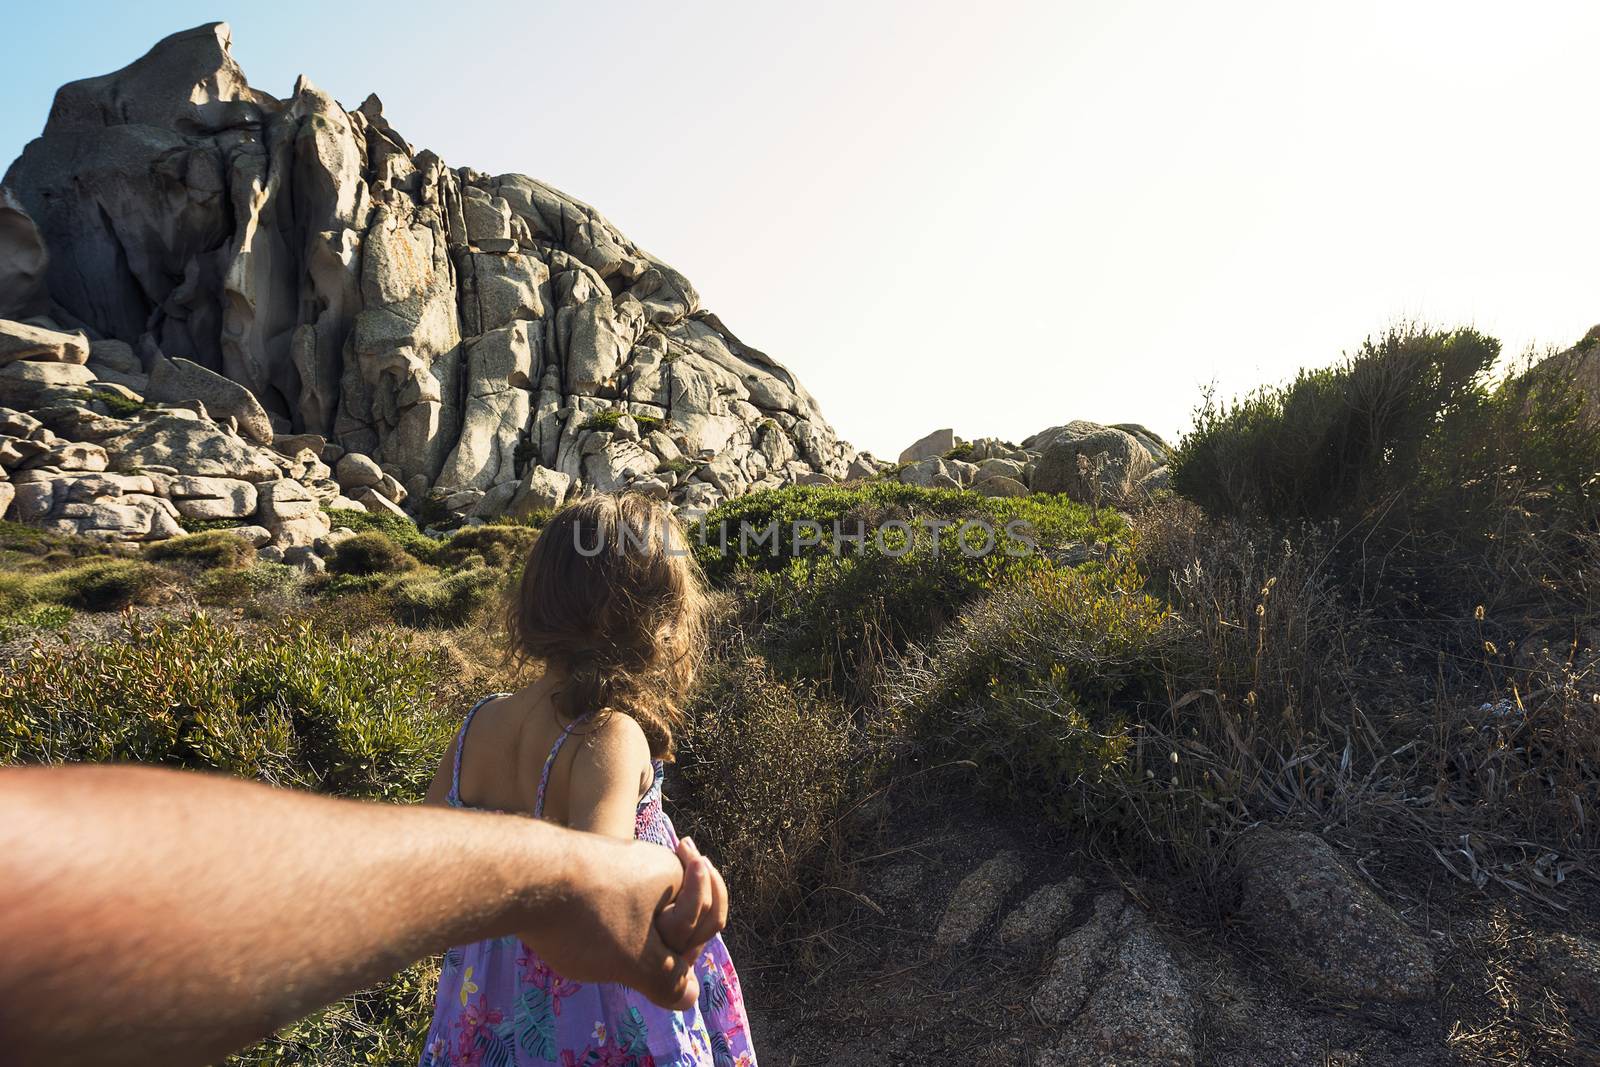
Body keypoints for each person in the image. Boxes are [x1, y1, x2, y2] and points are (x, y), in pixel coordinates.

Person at [0, 762, 728, 1067]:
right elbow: (605, 864)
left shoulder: (483, 718)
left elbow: (429, 816)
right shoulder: (613, 730)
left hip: (477, 978)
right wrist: (565, 880)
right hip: (586, 992)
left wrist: (535, 881)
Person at [419, 493, 758, 1067]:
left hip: (484, 1018)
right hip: (602, 1021)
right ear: (661, 622)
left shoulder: (478, 724)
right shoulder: (609, 734)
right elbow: (601, 901)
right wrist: (671, 879)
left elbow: (422, 865)